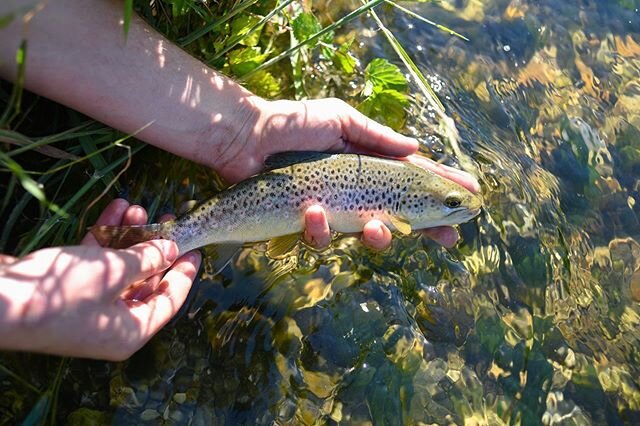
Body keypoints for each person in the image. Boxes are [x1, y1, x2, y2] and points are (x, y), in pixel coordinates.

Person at [0, 0, 480, 360]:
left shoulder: (405, 190)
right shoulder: (402, 202)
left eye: (451, 205)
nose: (458, 208)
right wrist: (28, 309)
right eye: (451, 205)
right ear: (413, 204)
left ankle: (164, 244)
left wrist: (245, 129)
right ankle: (169, 244)